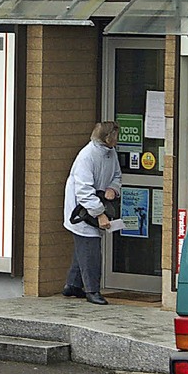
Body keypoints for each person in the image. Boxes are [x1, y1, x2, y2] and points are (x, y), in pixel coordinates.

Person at [62, 121, 122, 305]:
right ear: (107, 138)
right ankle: (92, 290)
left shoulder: (110, 153)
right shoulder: (87, 157)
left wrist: (113, 188)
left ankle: (72, 285)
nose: (118, 139)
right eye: (116, 135)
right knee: (91, 249)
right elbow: (83, 192)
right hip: (81, 210)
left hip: (96, 204)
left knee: (84, 248)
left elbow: (117, 175)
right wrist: (100, 213)